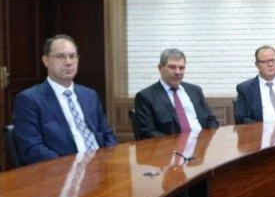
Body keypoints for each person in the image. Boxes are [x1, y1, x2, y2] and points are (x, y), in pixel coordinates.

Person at [12, 34, 116, 166]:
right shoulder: (29, 100)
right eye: (61, 56)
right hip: (60, 170)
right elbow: (32, 148)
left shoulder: (89, 95)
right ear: (46, 60)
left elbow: (107, 135)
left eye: (72, 56)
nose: (68, 62)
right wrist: (72, 166)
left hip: (100, 167)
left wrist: (107, 160)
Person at [133, 48, 219, 139]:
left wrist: (207, 138)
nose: (178, 72)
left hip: (201, 143)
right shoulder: (146, 97)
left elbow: (211, 119)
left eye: (181, 68)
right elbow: (147, 133)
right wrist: (178, 143)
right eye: (172, 67)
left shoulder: (195, 90)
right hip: (170, 146)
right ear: (160, 68)